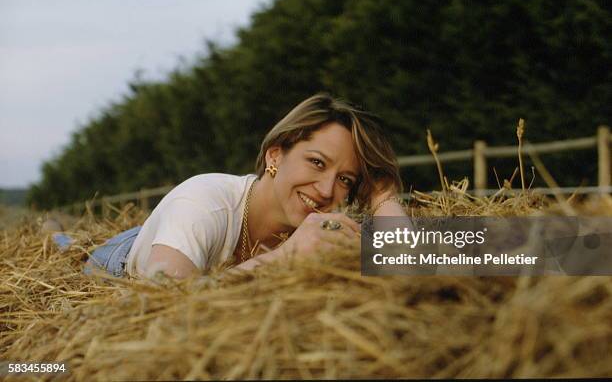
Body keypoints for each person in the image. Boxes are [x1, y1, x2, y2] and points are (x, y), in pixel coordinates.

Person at [53, 93, 407, 280]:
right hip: (124, 259)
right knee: (69, 250)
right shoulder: (203, 202)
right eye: (316, 162)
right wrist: (283, 258)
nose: (328, 189)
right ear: (275, 156)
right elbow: (161, 302)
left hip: (181, 241)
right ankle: (56, 236)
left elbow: (417, 265)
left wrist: (383, 196)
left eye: (346, 179)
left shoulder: (323, 224)